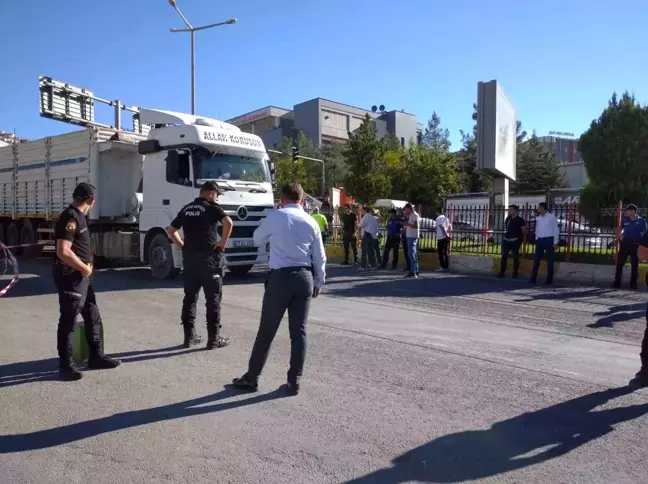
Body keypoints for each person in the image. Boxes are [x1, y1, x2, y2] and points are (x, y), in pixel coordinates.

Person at [232, 183, 326, 396]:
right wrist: (319, 283)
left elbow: (257, 239)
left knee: (266, 331)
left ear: (282, 199)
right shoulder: (311, 222)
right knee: (299, 332)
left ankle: (252, 378)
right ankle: (294, 382)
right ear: (302, 200)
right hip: (304, 277)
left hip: (280, 279)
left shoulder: (275, 217)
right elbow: (320, 257)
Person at [53, 182, 121, 381]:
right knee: (69, 319)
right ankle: (65, 366)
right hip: (71, 276)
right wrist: (83, 268)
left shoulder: (79, 216)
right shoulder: (71, 217)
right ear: (91, 200)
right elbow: (63, 251)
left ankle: (96, 356)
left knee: (92, 314)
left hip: (82, 277)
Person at [167, 181, 234, 349]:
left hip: (190, 260)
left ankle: (189, 338)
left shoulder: (187, 208)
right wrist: (222, 243)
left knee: (190, 298)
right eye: (216, 195)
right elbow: (228, 222)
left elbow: (171, 230)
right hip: (209, 259)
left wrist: (181, 245)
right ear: (211, 193)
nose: (216, 199)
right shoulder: (212, 207)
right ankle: (214, 339)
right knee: (213, 300)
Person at [613, 204, 647, 290]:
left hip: (635, 244)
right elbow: (620, 227)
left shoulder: (641, 221)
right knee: (620, 263)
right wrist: (619, 233)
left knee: (635, 264)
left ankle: (633, 284)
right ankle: (617, 282)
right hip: (625, 243)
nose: (626, 212)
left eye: (628, 210)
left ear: (633, 211)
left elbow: (645, 232)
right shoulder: (624, 219)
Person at [530, 202, 559, 285]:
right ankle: (533, 278)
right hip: (540, 240)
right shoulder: (538, 218)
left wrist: (555, 242)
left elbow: (556, 230)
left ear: (543, 208)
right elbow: (537, 229)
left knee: (549, 261)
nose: (538, 209)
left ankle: (549, 280)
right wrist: (536, 239)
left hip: (549, 240)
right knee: (536, 260)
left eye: (539, 207)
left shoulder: (551, 217)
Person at [499, 205, 527, 279]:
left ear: (515, 211)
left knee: (515, 258)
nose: (509, 211)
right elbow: (507, 228)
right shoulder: (508, 219)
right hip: (506, 240)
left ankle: (515, 273)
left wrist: (523, 231)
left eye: (511, 210)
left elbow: (524, 230)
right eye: (509, 210)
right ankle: (502, 272)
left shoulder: (520, 220)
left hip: (515, 241)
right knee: (504, 257)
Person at [403, 203, 421, 278]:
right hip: (410, 236)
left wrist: (407, 224)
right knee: (412, 254)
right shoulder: (411, 215)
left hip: (412, 236)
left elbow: (415, 226)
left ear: (409, 208)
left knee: (411, 254)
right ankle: (415, 270)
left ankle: (413, 271)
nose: (405, 210)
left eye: (406, 209)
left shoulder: (414, 215)